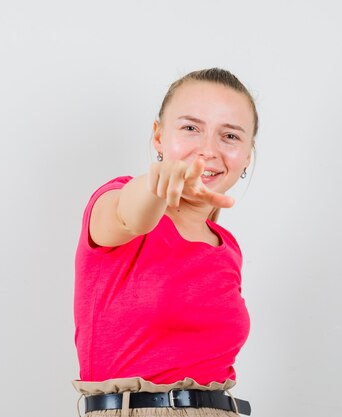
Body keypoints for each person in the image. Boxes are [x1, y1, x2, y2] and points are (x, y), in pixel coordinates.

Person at [72, 68, 258, 417]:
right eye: (190, 128)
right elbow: (132, 217)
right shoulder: (113, 201)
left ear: (247, 155)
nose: (208, 150)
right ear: (159, 137)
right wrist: (156, 185)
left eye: (230, 136)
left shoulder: (227, 248)